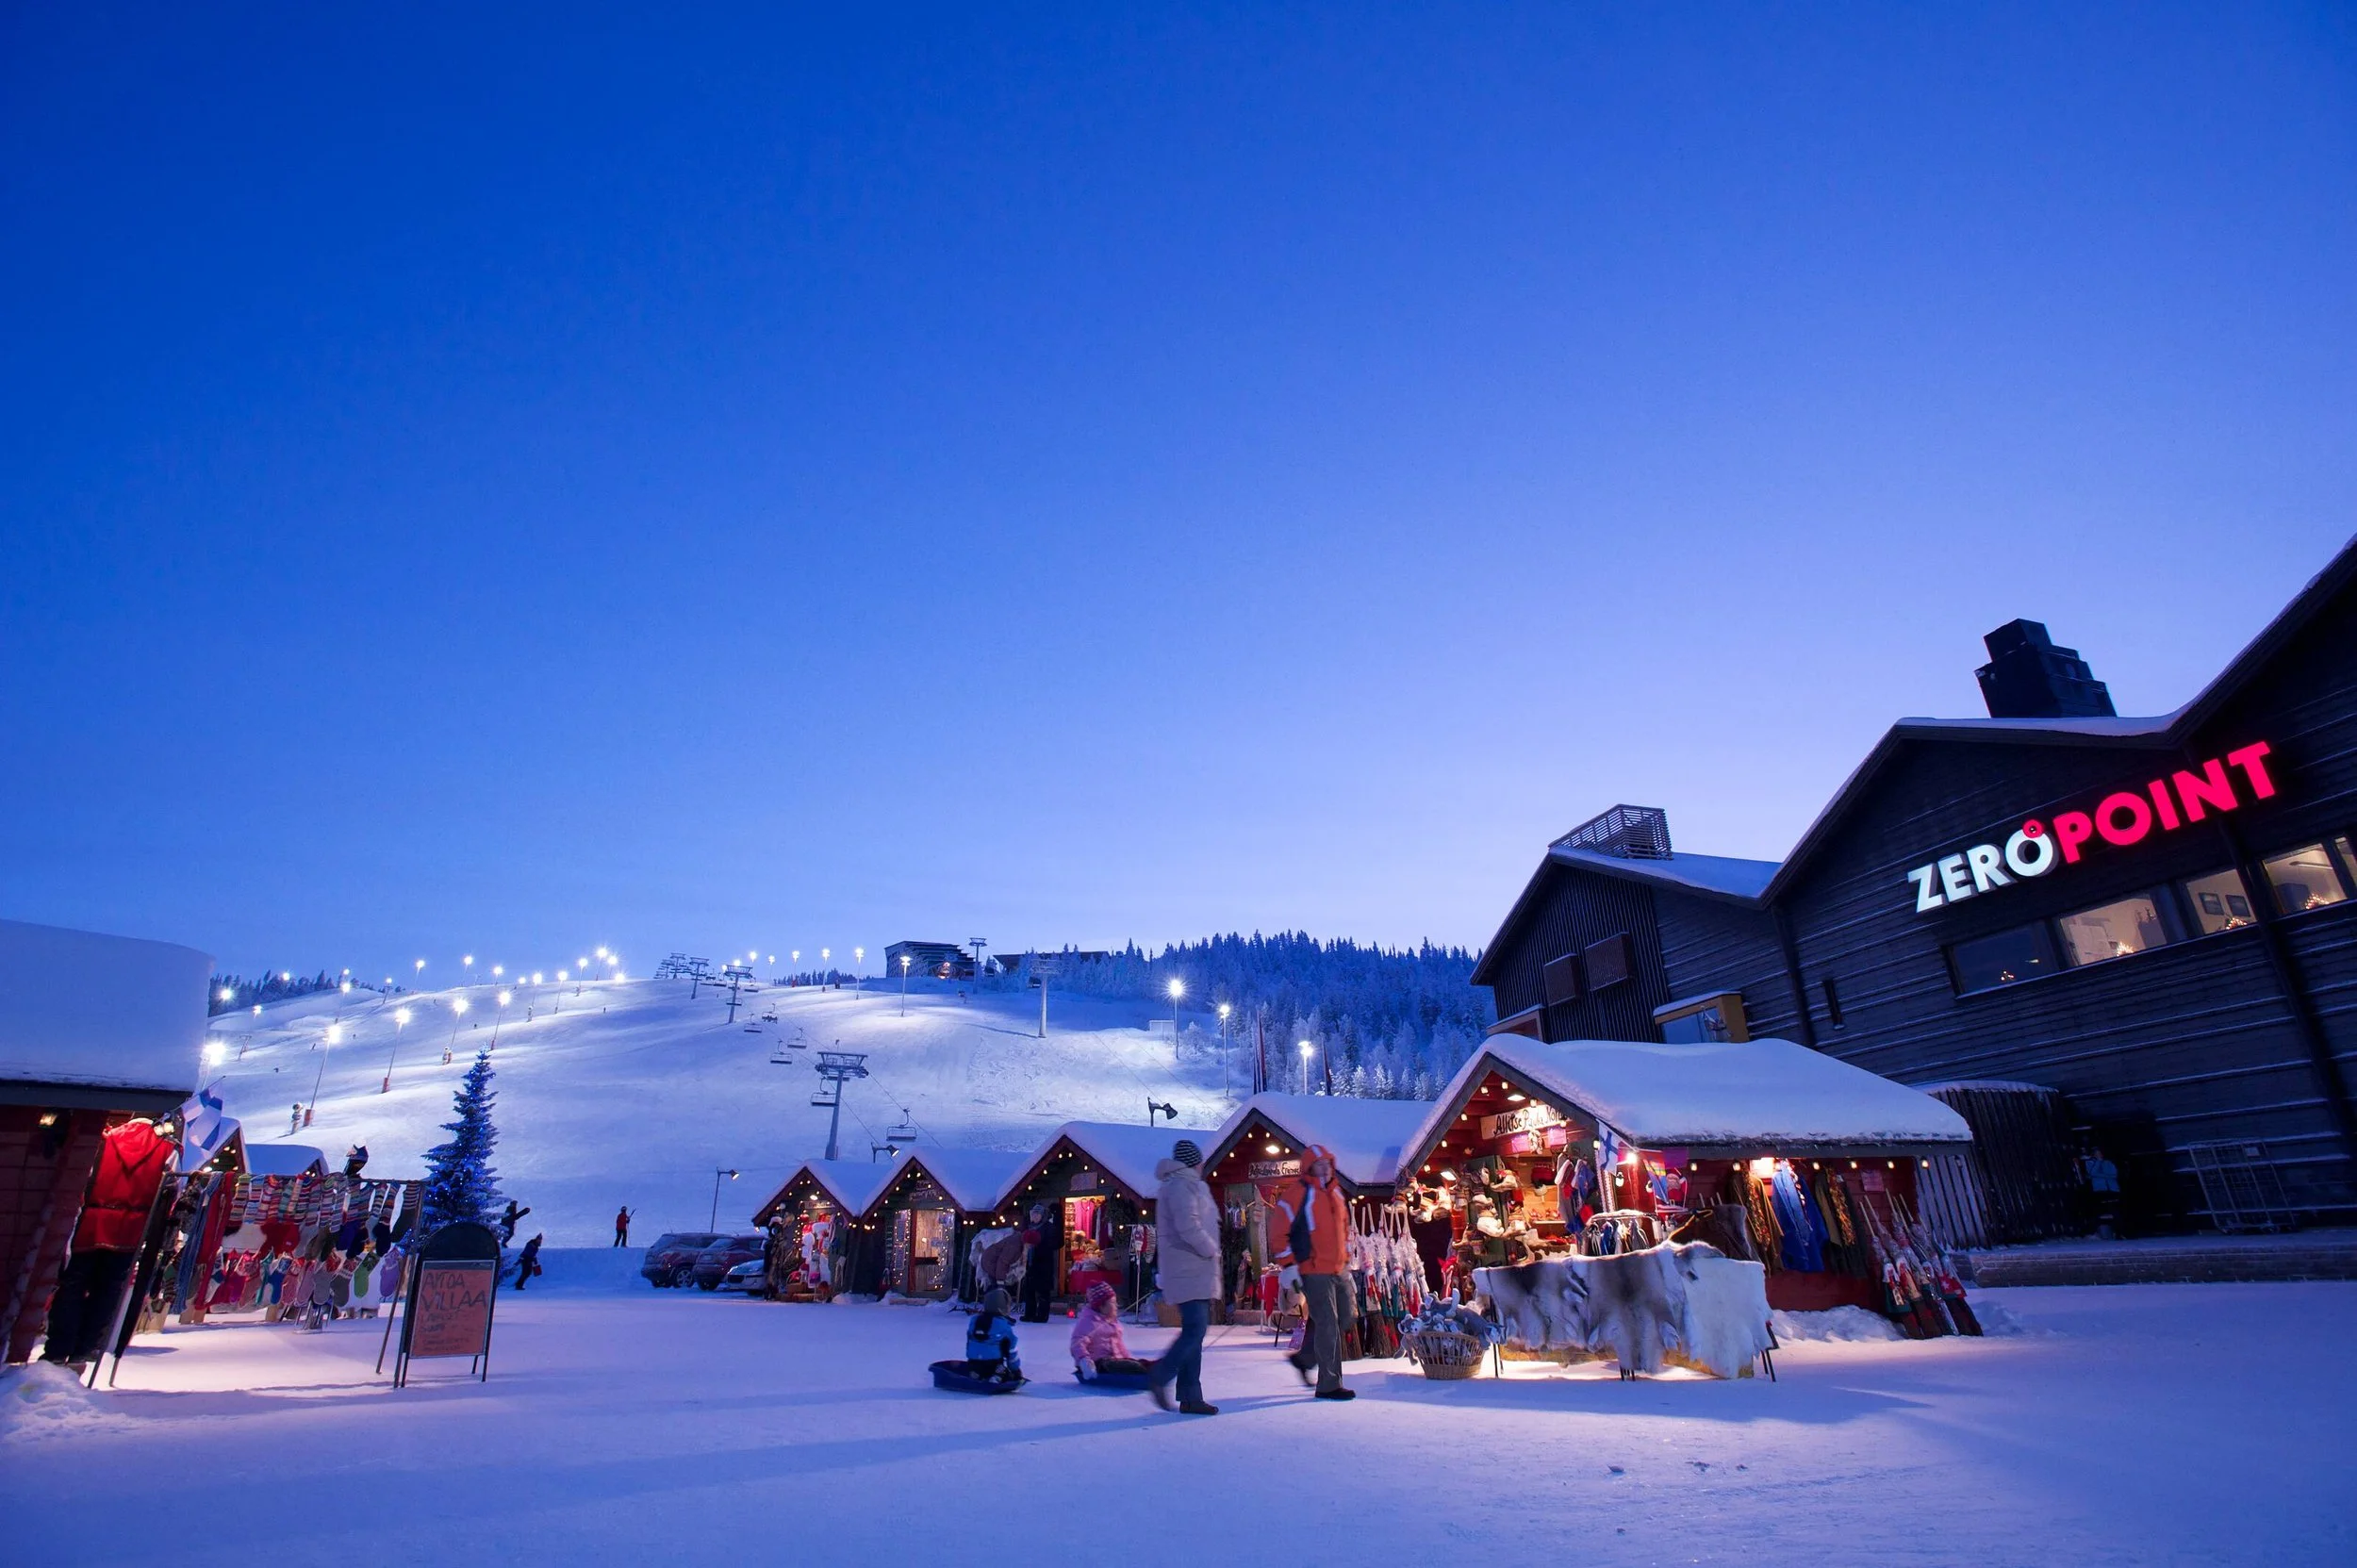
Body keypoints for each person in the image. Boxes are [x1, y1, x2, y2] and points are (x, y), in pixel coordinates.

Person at [1148, 1137, 1222, 1414]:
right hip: (1188, 1267)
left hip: (1193, 1269)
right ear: (1195, 1161)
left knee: (1195, 1332)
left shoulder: (1185, 1184)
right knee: (1195, 1330)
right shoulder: (1182, 1184)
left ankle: (1191, 1396)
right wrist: (1210, 1249)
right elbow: (1187, 1225)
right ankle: (1160, 1375)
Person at [1277, 1144, 1355, 1400]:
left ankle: (1304, 1358)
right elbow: (1279, 1231)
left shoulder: (1336, 1193)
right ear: (1309, 1166)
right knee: (1328, 1324)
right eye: (1319, 1164)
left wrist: (1347, 1257)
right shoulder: (1297, 1194)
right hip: (1313, 1269)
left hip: (1338, 1267)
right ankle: (1329, 1385)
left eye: (1328, 1164)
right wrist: (1288, 1265)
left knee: (1345, 1317)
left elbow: (1344, 1228)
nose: (1325, 1168)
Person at [1069, 1280, 1147, 1379]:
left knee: (1139, 1364)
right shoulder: (1089, 1322)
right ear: (1101, 1306)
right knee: (1129, 1366)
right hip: (1097, 1364)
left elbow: (1120, 1347)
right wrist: (1085, 1362)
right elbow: (1077, 1344)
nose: (1116, 1306)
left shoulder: (1112, 1322)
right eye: (1113, 1303)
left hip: (1114, 1361)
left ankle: (1147, 1369)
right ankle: (1142, 1371)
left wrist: (1130, 1359)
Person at [964, 1287, 1023, 1382]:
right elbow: (1011, 1351)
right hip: (992, 1365)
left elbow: (969, 1342)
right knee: (1005, 1372)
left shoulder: (974, 1321)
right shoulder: (1004, 1326)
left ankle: (975, 1374)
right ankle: (997, 1377)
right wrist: (1015, 1370)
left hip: (973, 1363)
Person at [1019, 1202, 1061, 1323]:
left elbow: (1052, 1244)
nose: (1034, 1217)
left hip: (1043, 1263)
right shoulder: (1029, 1227)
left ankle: (1042, 1316)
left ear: (1042, 1216)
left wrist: (1038, 1244)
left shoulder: (1049, 1227)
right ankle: (1029, 1314)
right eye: (1033, 1214)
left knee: (1043, 1291)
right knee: (1029, 1290)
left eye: (1037, 1214)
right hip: (1030, 1263)